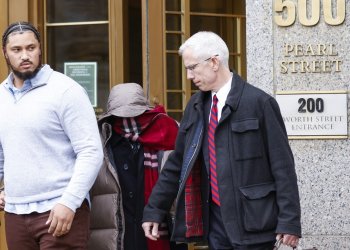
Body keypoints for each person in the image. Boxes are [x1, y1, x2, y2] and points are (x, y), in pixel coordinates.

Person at [142, 31, 301, 250]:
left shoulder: (260, 103)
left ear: (214, 62)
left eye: (192, 68)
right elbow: (177, 164)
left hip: (255, 224)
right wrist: (154, 210)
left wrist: (289, 222)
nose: (189, 76)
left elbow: (283, 167)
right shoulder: (195, 107)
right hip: (215, 225)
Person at [0, 21, 103, 249]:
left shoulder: (66, 90)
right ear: (5, 54)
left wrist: (70, 202)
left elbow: (91, 151)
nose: (25, 55)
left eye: (31, 48)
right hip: (15, 213)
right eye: (17, 50)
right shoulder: (1, 96)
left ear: (40, 49)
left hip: (60, 210)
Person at [88, 83, 186, 250]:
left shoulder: (167, 134)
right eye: (120, 117)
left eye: (136, 115)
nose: (128, 120)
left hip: (161, 229)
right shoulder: (99, 143)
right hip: (115, 236)